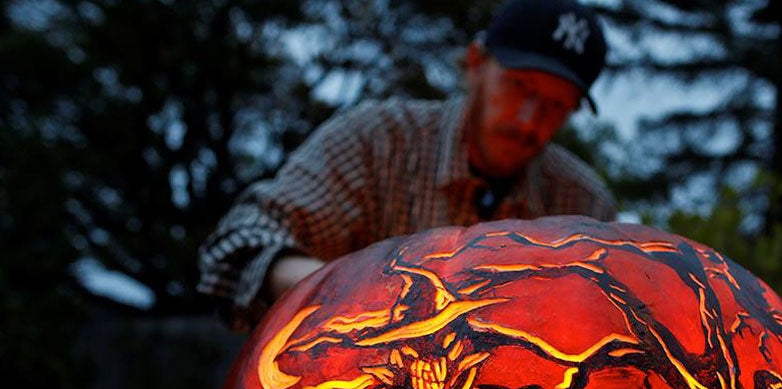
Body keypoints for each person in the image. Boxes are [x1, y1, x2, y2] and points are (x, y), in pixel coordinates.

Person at [197, 0, 618, 332]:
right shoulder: (378, 142)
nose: (529, 119)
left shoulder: (582, 207)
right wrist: (359, 294)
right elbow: (241, 244)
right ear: (476, 63)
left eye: (556, 104)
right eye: (518, 86)